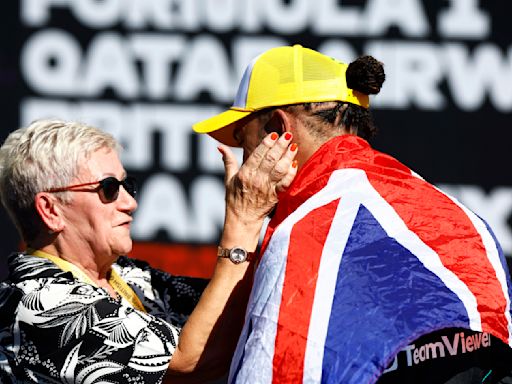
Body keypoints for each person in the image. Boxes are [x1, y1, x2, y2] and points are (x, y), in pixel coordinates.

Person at [193, 44, 512, 383]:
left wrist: (242, 223)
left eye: (244, 138)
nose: (243, 160)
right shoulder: (464, 219)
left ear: (277, 130)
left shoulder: (308, 234)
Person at [0, 119, 297, 383]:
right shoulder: (36, 302)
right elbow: (191, 362)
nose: (130, 202)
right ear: (50, 210)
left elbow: (244, 307)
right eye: (109, 188)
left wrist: (278, 202)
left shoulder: (129, 276)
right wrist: (243, 220)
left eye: (126, 184)